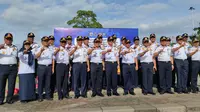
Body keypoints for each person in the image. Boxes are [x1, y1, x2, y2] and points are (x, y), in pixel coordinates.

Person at [35, 36, 55, 102]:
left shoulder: (50, 49)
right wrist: (41, 51)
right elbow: (36, 56)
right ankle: (40, 96)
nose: (46, 42)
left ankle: (47, 96)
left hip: (49, 67)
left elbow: (52, 58)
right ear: (42, 42)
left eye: (47, 41)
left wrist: (52, 68)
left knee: (48, 82)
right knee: (40, 82)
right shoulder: (39, 48)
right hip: (41, 67)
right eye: (45, 41)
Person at [0, 33, 18, 105]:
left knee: (11, 84)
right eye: (7, 39)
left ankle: (9, 99)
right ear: (4, 39)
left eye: (10, 39)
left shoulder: (15, 47)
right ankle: (1, 99)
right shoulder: (1, 47)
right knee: (1, 84)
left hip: (13, 68)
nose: (8, 40)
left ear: (12, 40)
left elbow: (17, 57)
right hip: (3, 67)